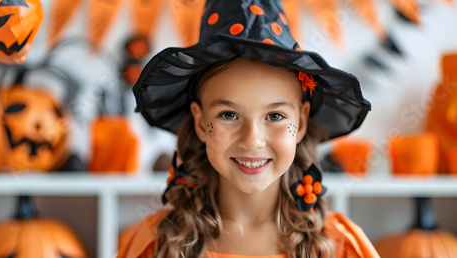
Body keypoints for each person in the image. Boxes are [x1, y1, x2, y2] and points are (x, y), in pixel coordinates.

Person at [118, 0, 378, 257]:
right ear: (200, 122)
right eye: (228, 115)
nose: (252, 141)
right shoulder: (156, 244)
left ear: (301, 122)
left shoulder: (340, 247)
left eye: (275, 115)